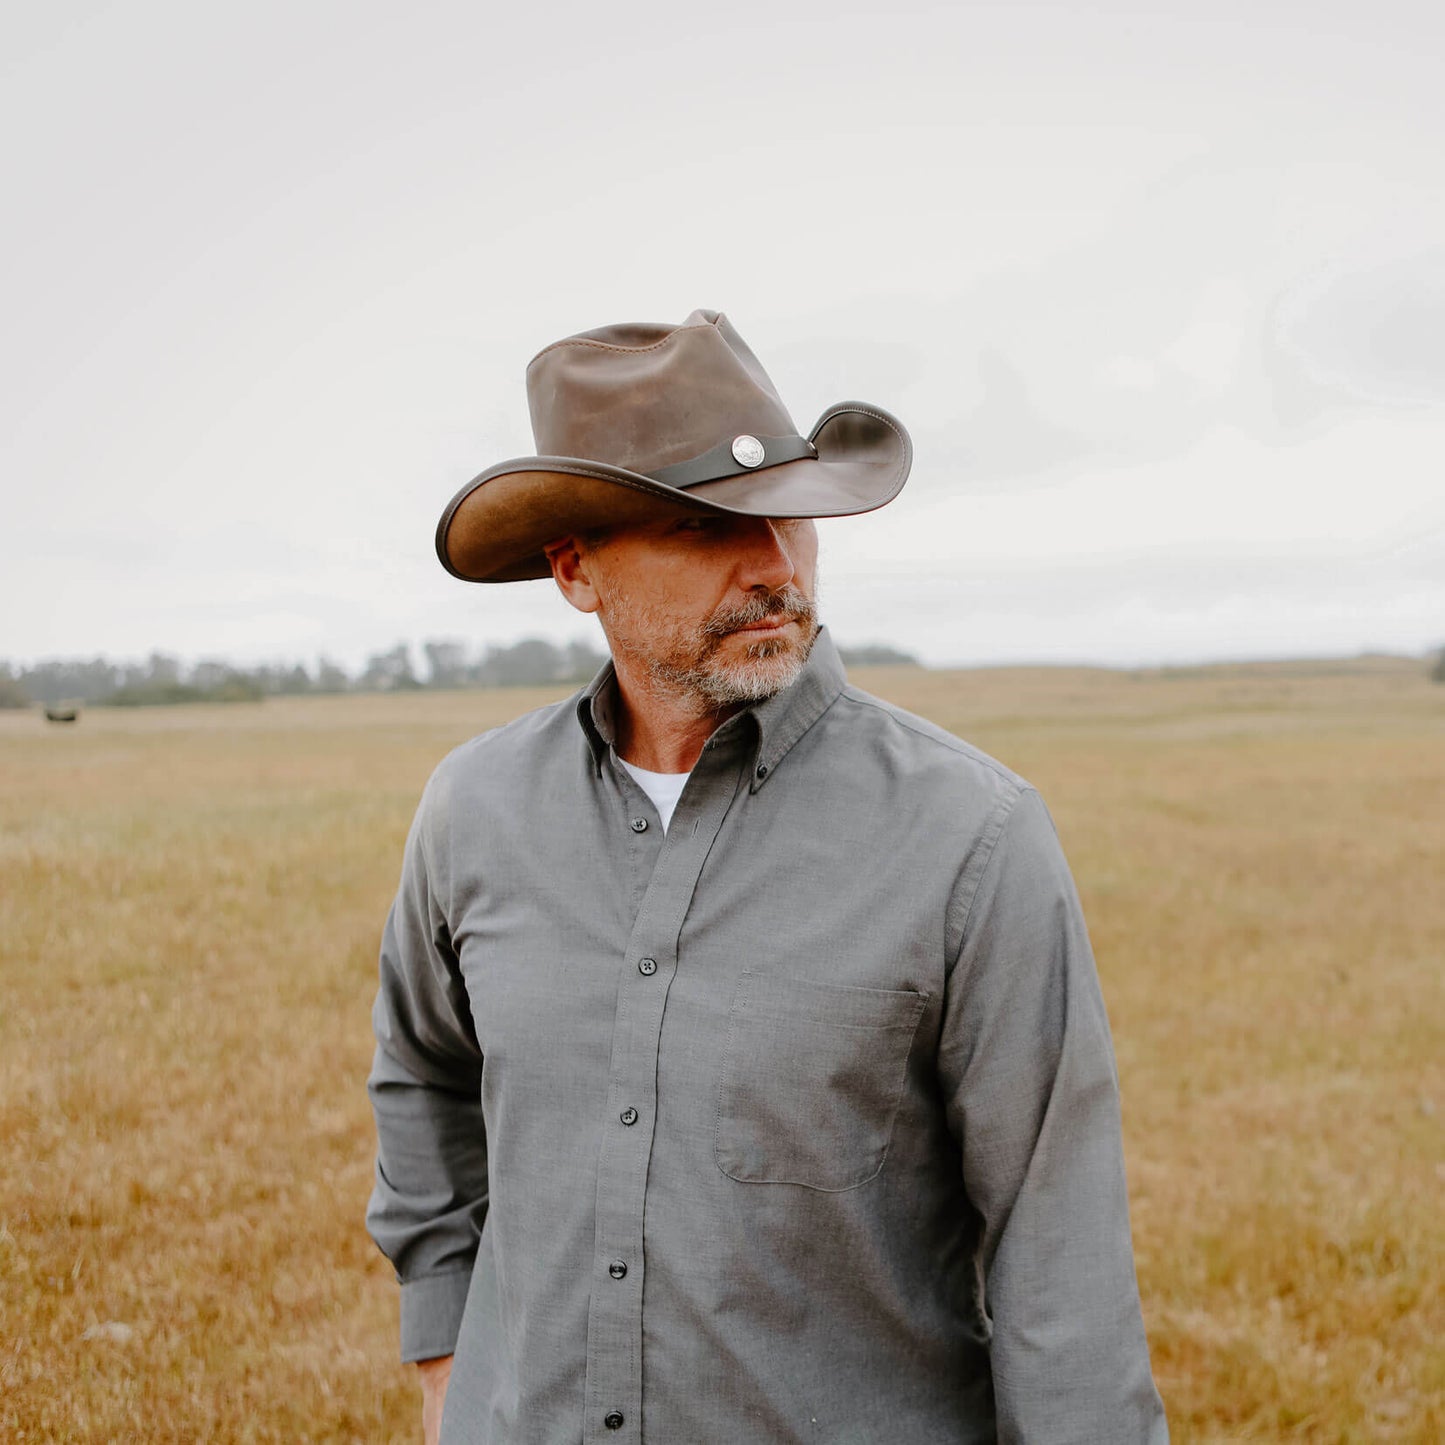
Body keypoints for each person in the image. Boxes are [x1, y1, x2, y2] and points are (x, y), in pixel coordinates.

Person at [366, 309, 1168, 1444]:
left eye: (786, 512)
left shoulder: (969, 834)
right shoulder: (474, 810)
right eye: (699, 526)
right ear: (573, 568)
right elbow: (422, 1074)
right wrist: (448, 1345)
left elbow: (1058, 1248)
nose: (771, 565)